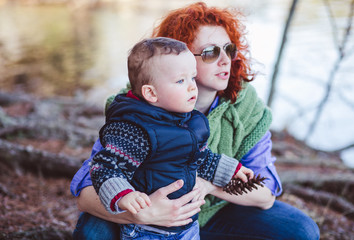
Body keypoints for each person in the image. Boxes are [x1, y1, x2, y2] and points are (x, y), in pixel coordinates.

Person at [71, 2, 320, 239]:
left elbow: (265, 193)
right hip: (148, 217)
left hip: (215, 212)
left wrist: (208, 185)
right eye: (211, 52)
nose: (225, 60)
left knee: (301, 231)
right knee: (93, 231)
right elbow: (86, 192)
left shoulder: (247, 108)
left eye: (229, 49)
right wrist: (143, 213)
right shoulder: (137, 109)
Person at [90, 37, 254, 239]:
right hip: (148, 230)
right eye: (180, 81)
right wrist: (124, 195)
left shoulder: (190, 121)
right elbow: (105, 166)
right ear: (151, 93)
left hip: (186, 225)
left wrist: (231, 170)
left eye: (192, 78)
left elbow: (201, 159)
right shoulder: (135, 129)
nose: (192, 87)